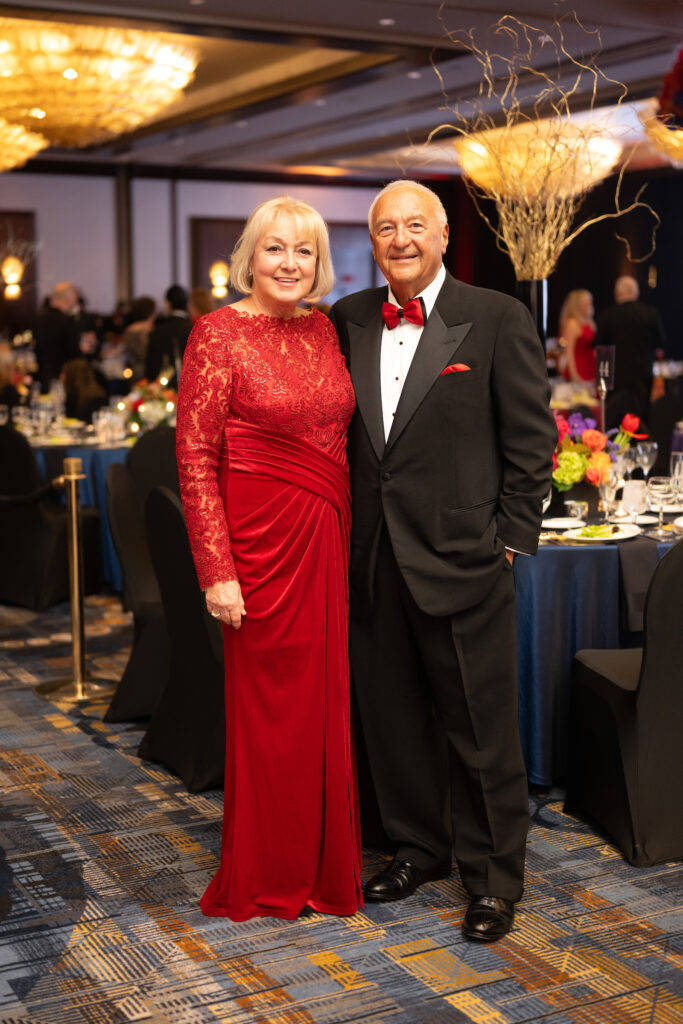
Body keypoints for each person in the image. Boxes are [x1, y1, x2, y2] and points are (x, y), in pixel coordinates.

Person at [329, 180, 556, 942]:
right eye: (386, 227)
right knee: (391, 720)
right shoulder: (348, 318)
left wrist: (510, 540)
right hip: (371, 558)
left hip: (466, 559)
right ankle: (417, 846)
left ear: (442, 237)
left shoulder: (495, 316)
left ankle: (493, 879)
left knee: (482, 730)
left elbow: (531, 442)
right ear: (373, 241)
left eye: (415, 225)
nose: (400, 239)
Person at [175, 195, 362, 921]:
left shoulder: (323, 330)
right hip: (255, 550)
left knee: (322, 707)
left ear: (319, 264)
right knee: (269, 714)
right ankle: (266, 870)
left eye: (305, 251)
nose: (289, 263)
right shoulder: (217, 334)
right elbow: (194, 457)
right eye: (275, 249)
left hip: (323, 539)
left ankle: (322, 867)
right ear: (250, 256)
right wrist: (217, 569)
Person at [593, 275, 667, 427]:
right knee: (640, 421)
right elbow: (661, 345)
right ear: (636, 293)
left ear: (617, 294)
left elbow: (598, 348)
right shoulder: (649, 314)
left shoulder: (607, 316)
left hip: (614, 380)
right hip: (642, 378)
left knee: (616, 421)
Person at [33, 281, 82, 392]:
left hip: (42, 376)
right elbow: (73, 352)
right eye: (75, 300)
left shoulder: (39, 319)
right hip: (63, 378)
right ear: (68, 300)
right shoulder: (67, 321)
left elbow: (36, 349)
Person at [145, 284, 192, 383]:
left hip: (163, 391)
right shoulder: (194, 329)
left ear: (168, 304)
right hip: (191, 387)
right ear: (187, 304)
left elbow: (151, 369)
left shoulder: (157, 331)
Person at [558, 289, 596, 383]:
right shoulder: (572, 323)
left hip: (590, 367)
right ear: (577, 304)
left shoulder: (589, 323)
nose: (588, 305)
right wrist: (574, 375)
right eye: (585, 302)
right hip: (579, 368)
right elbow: (569, 351)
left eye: (589, 302)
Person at [119, 296, 156, 381]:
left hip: (131, 369)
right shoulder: (150, 329)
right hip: (148, 369)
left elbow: (125, 350)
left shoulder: (129, 329)